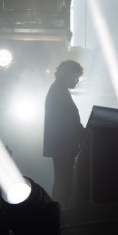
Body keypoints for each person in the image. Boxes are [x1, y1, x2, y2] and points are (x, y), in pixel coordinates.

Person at [43, 60, 85, 205]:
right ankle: (60, 212)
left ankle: (58, 211)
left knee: (62, 181)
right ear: (69, 74)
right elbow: (69, 121)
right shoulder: (59, 91)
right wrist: (84, 133)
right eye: (76, 76)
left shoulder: (58, 89)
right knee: (63, 183)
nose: (77, 80)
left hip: (60, 146)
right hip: (63, 146)